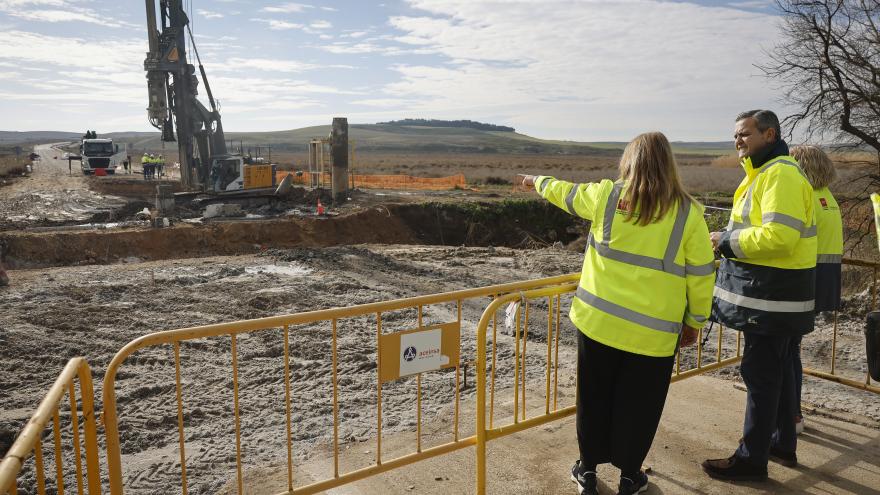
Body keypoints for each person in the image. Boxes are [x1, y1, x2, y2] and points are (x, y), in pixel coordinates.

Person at [521, 131, 715, 495]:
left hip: (599, 324)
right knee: (639, 405)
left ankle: (588, 470)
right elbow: (702, 275)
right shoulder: (688, 213)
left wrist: (536, 181)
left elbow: (565, 191)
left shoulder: (607, 196)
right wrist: (694, 322)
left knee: (594, 397)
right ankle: (630, 476)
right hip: (654, 334)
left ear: (630, 161)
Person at [703, 110, 817, 481]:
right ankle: (781, 444)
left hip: (772, 299)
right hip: (777, 298)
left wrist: (726, 241)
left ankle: (752, 461)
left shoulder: (779, 174)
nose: (738, 141)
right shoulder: (769, 173)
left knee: (761, 376)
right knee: (778, 372)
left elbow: (779, 237)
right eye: (735, 135)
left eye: (745, 134)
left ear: (769, 134)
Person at [784, 145, 843, 435]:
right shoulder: (828, 198)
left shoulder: (805, 197)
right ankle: (792, 414)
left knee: (785, 350)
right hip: (825, 282)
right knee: (790, 348)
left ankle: (791, 416)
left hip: (806, 281)